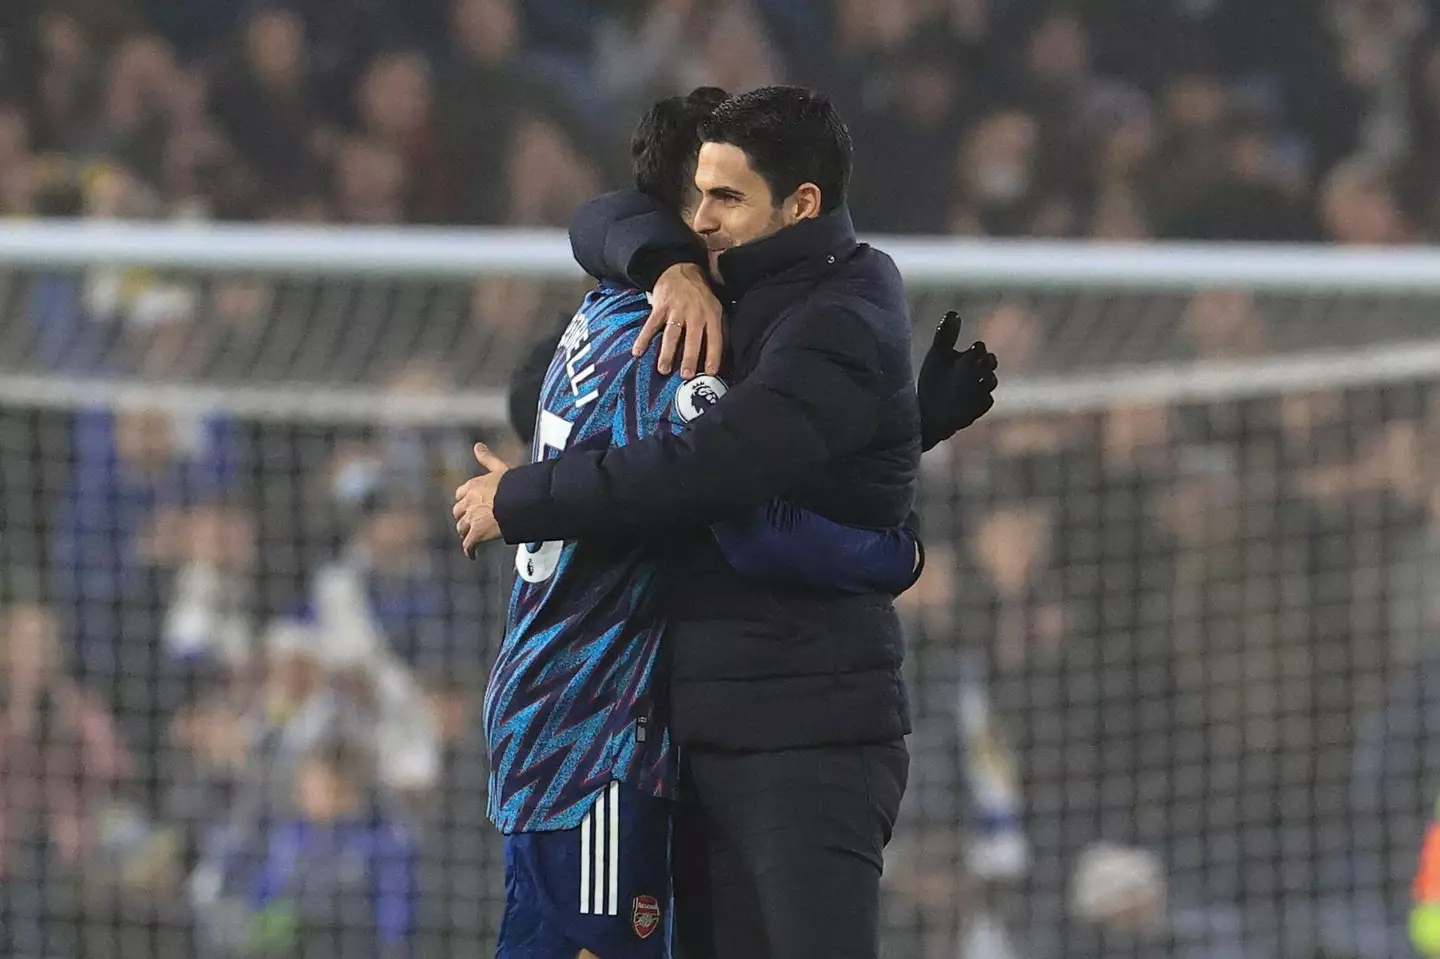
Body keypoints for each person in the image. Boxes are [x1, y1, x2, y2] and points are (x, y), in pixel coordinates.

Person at [455, 86, 997, 959]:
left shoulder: (619, 318)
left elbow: (729, 459)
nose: (706, 224)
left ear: (800, 206)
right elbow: (721, 489)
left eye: (728, 200)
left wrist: (898, 427)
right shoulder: (671, 333)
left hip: (750, 731)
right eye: (696, 202)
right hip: (603, 730)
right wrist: (897, 547)